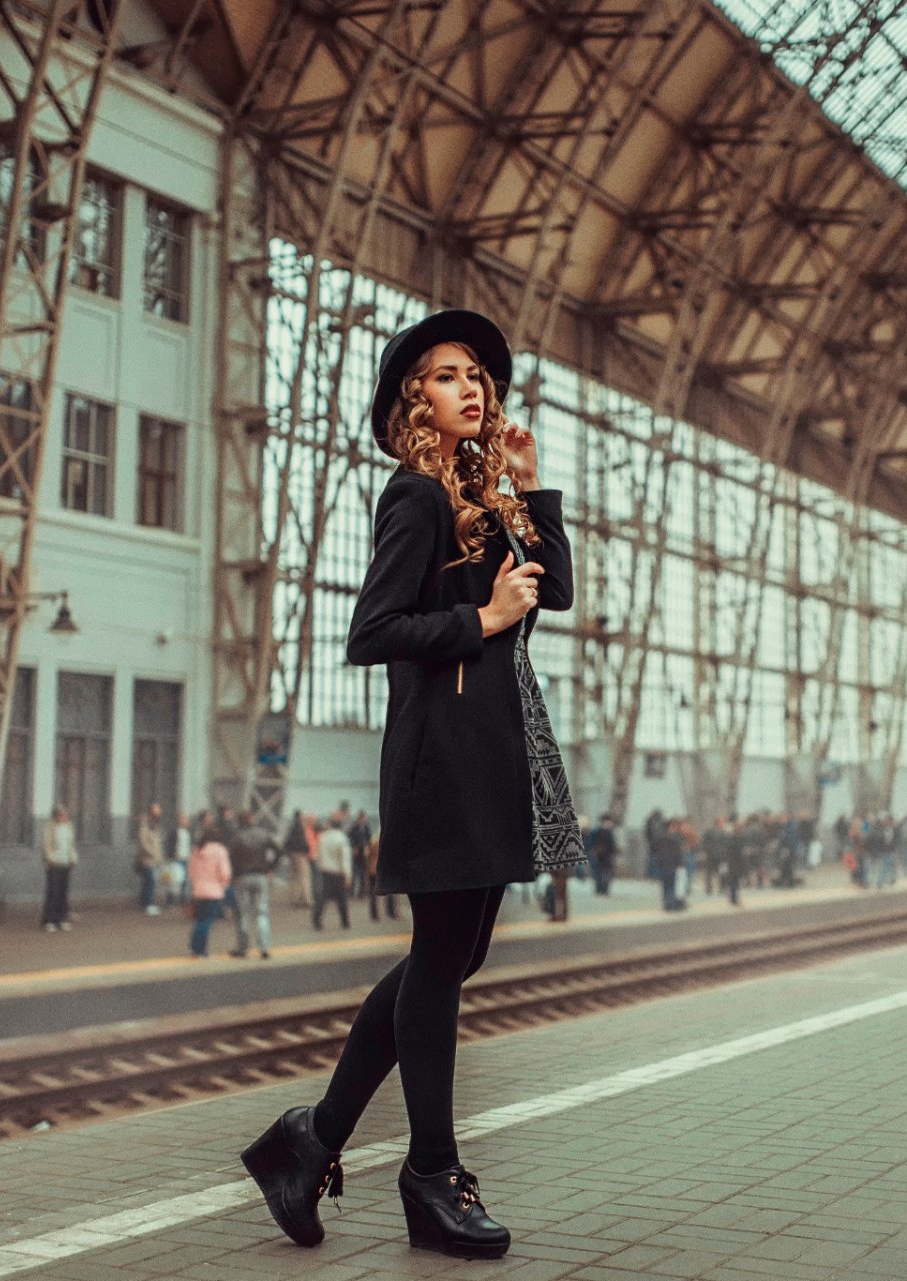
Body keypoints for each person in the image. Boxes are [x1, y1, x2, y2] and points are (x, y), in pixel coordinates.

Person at [241, 310, 583, 1261]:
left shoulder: (483, 497)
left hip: (491, 755)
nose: (469, 386)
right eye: (445, 375)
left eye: (476, 373)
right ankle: (430, 1174)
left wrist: (531, 481)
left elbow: (554, 593)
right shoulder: (415, 498)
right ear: (412, 402)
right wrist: (477, 619)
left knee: (450, 958)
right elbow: (373, 631)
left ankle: (308, 1143)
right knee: (440, 962)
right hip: (442, 761)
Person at [228, 810, 277, 959]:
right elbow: (280, 850)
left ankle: (243, 948)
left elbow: (230, 858)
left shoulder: (236, 838)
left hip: (242, 877)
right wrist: (270, 867)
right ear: (252, 819)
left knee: (244, 913)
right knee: (262, 912)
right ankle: (264, 948)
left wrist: (234, 874)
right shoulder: (264, 834)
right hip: (261, 876)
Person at [188, 820, 233, 958]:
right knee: (207, 921)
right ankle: (201, 950)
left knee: (199, 919)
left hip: (198, 890)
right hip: (214, 891)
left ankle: (195, 946)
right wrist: (223, 886)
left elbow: (191, 870)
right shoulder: (220, 851)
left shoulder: (196, 850)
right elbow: (225, 873)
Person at [311, 819, 352, 931]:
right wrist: (348, 874)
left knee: (323, 897)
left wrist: (320, 866)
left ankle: (316, 920)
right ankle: (345, 922)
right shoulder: (342, 838)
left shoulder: (323, 837)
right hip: (338, 873)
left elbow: (318, 854)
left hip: (326, 872)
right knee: (342, 898)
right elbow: (345, 858)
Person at [41, 805, 76, 930]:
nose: (65, 817)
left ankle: (62, 919)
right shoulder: (50, 828)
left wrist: (73, 858)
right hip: (54, 863)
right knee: (53, 892)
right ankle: (49, 920)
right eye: (62, 815)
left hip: (66, 862)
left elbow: (71, 845)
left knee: (63, 892)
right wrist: (51, 859)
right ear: (56, 816)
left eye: (66, 814)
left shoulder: (69, 827)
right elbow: (46, 845)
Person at [136, 802, 165, 916]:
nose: (159, 811)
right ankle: (148, 904)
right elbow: (143, 842)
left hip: (154, 859)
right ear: (151, 811)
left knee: (149, 882)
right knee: (150, 882)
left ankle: (145, 903)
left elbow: (158, 842)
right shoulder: (145, 825)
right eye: (157, 809)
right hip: (148, 859)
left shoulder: (156, 824)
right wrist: (152, 853)